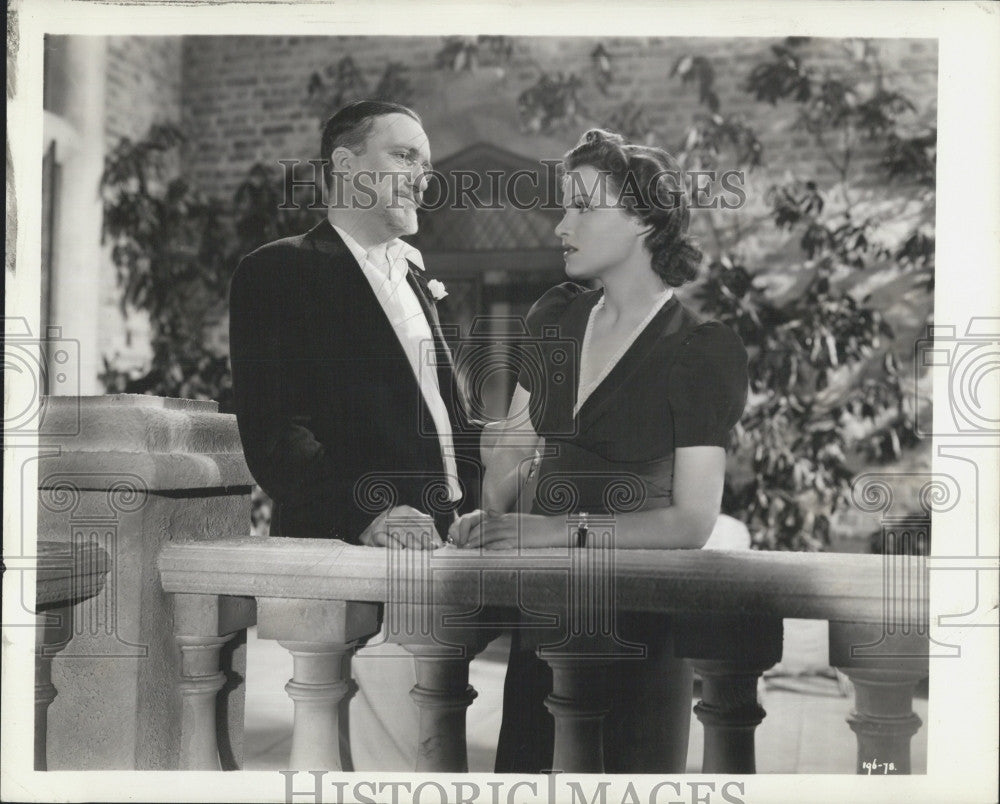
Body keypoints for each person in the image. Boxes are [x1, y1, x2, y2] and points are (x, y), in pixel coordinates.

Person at [450, 128, 749, 773]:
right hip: (546, 612)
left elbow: (691, 522)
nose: (562, 224)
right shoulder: (554, 316)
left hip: (637, 620)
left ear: (643, 218)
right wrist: (491, 502)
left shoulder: (701, 350)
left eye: (583, 206)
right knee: (527, 775)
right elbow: (512, 454)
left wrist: (552, 530)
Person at [229, 100, 481, 769]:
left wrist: (483, 504)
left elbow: (447, 417)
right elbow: (277, 435)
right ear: (345, 165)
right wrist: (371, 511)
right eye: (404, 156)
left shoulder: (419, 277)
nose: (423, 176)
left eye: (427, 164)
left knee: (428, 753)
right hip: (359, 550)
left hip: (446, 544)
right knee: (388, 763)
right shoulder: (279, 271)